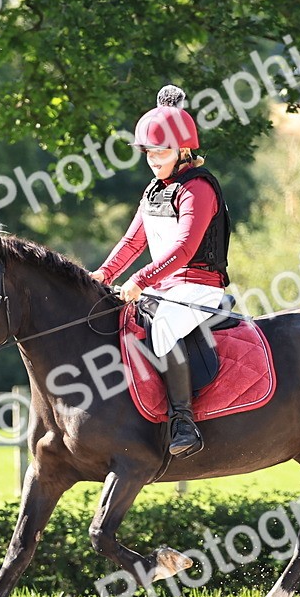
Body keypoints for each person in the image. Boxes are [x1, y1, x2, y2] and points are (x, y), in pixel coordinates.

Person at [90, 85, 232, 458]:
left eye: (162, 151)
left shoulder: (197, 190)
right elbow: (133, 241)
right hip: (164, 285)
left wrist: (138, 279)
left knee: (165, 322)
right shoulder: (155, 190)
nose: (154, 159)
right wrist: (103, 275)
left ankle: (183, 422)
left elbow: (184, 249)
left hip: (198, 286)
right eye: (150, 152)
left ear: (183, 150)